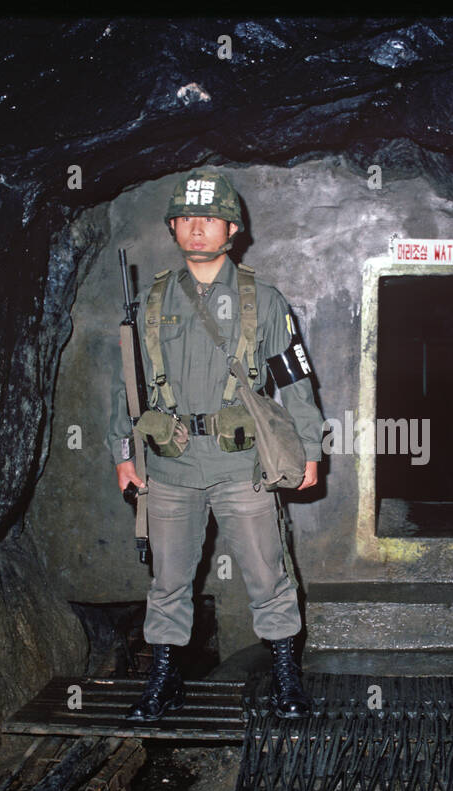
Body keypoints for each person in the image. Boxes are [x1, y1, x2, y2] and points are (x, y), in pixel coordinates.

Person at [107, 168, 324, 720]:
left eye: (208, 219)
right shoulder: (153, 302)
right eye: (186, 219)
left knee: (267, 575)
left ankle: (284, 677)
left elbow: (296, 382)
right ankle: (164, 679)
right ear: (174, 227)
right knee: (168, 581)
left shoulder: (264, 301)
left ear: (231, 227)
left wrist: (309, 451)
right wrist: (123, 453)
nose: (196, 229)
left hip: (241, 463)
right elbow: (127, 385)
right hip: (171, 466)